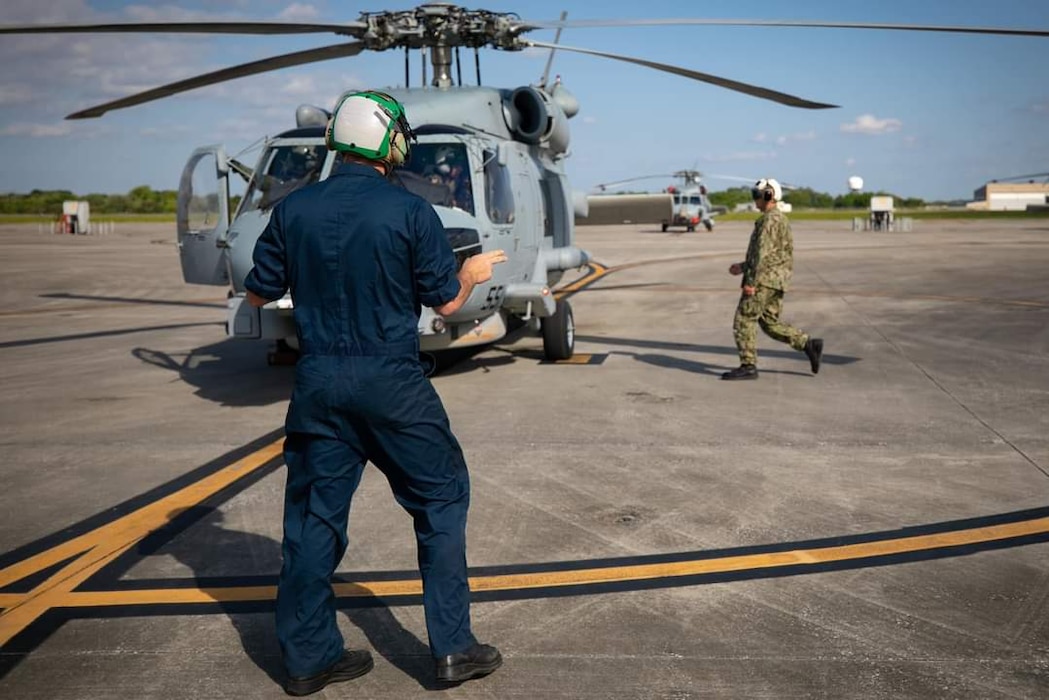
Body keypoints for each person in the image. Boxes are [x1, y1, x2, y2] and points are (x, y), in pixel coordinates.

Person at [243, 90, 506, 695]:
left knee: (312, 519)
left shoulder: (294, 209)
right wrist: (470, 273)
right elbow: (445, 302)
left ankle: (309, 658)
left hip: (318, 383)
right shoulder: (410, 211)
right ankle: (452, 650)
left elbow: (258, 292)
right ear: (386, 141)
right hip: (391, 382)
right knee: (440, 500)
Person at [722, 178, 823, 380]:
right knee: (769, 323)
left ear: (768, 195)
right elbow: (770, 255)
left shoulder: (769, 221)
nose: (754, 199)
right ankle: (807, 343)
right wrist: (742, 267)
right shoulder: (778, 219)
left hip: (764, 281)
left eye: (756, 195)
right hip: (776, 281)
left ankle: (748, 365)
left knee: (744, 320)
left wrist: (750, 282)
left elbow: (762, 256)